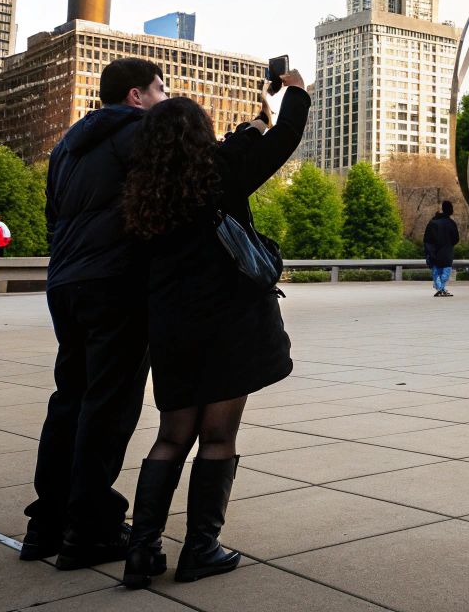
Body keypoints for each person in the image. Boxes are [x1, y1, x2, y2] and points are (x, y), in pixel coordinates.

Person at [118, 70, 309, 588]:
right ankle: (200, 547)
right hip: (230, 321)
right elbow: (286, 137)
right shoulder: (220, 172)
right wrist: (296, 90)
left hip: (173, 324)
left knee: (171, 436)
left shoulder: (141, 191)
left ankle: (142, 550)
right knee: (218, 435)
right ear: (201, 135)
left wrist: (255, 120)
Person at [22, 58, 166, 570]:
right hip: (117, 282)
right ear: (135, 96)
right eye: (159, 89)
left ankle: (46, 523)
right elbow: (170, 199)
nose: (162, 98)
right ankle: (90, 529)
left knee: (70, 399)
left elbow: (54, 217)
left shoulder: (67, 146)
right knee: (109, 403)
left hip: (66, 283)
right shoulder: (139, 133)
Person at [424, 201, 461, 297]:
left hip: (434, 251)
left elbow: (427, 239)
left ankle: (440, 289)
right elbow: (456, 239)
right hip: (447, 252)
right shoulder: (451, 223)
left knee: (437, 271)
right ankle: (441, 289)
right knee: (445, 272)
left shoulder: (432, 223)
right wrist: (448, 244)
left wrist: (429, 250)